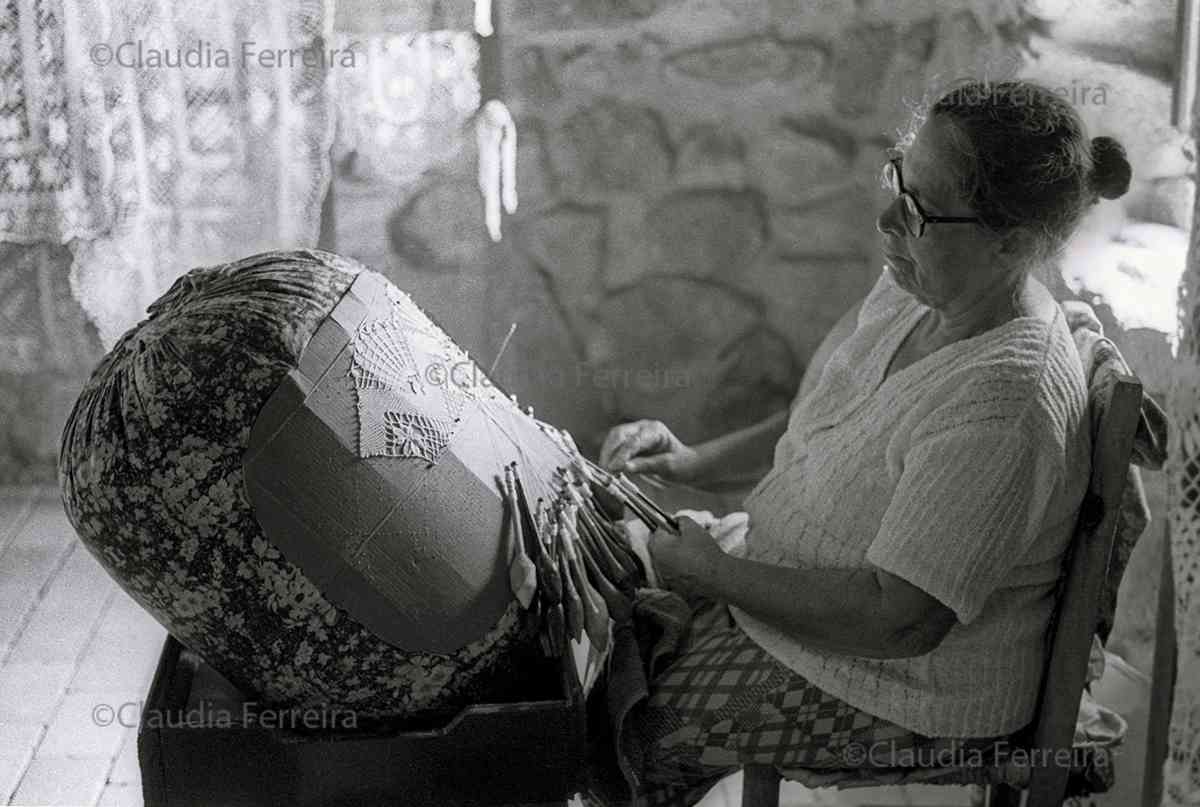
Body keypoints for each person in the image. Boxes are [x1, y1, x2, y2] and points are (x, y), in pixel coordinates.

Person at [597, 78, 1132, 807]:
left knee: (623, 728)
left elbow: (899, 619)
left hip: (903, 685)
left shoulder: (1006, 402)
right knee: (603, 590)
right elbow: (822, 416)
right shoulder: (918, 285)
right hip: (802, 592)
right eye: (896, 179)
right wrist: (692, 462)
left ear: (1010, 241)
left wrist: (715, 574)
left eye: (916, 209)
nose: (886, 220)